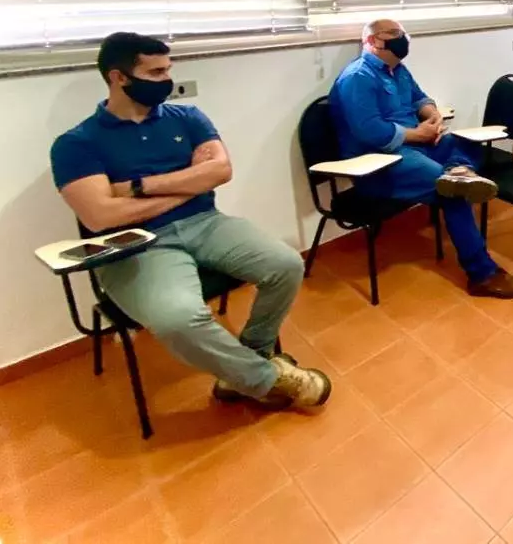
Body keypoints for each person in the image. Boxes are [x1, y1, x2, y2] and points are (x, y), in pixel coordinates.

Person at [50, 32, 331, 410]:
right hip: (136, 244)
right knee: (177, 319)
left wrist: (136, 187)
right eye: (155, 72)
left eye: (169, 69)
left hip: (205, 221)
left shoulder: (188, 117)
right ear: (118, 78)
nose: (167, 79)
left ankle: (250, 358)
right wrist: (190, 184)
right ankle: (266, 379)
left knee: (286, 264)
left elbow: (221, 171)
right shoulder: (76, 143)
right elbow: (100, 216)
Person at [329, 20, 513, 299]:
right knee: (453, 192)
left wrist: (433, 116)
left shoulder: (398, 69)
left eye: (403, 33)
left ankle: (459, 170)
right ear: (372, 41)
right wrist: (418, 134)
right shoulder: (357, 77)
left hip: (414, 146)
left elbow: (419, 98)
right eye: (394, 34)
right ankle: (482, 274)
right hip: (379, 160)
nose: (403, 38)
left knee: (465, 143)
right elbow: (370, 131)